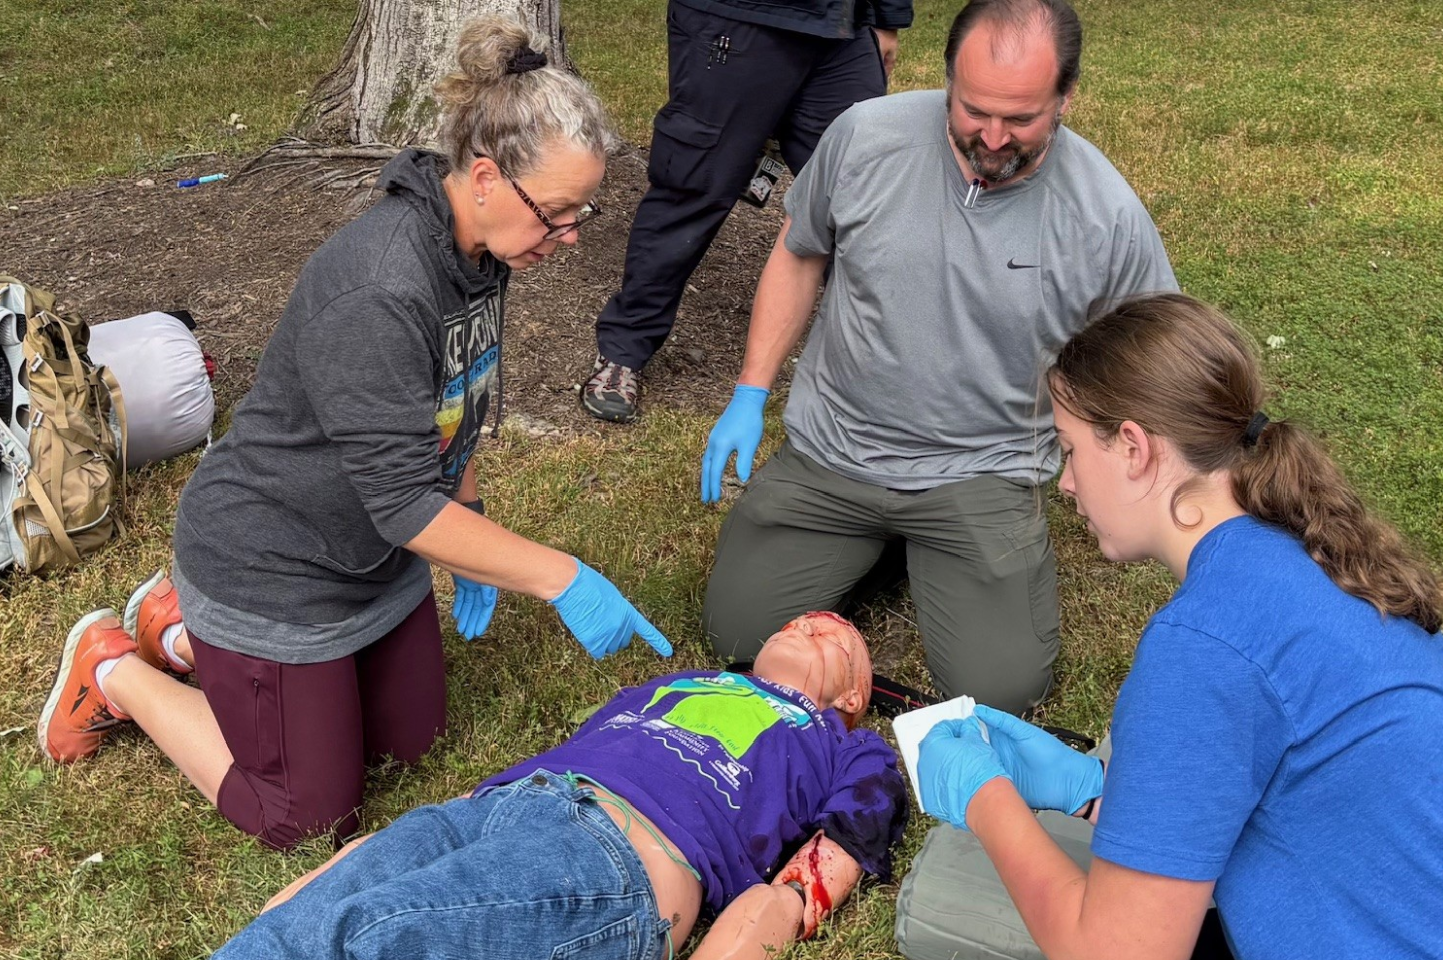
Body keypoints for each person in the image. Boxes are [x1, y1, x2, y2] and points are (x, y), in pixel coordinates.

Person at [36, 18, 670, 850]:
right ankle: (115, 664)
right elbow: (405, 505)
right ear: (484, 177)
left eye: (579, 211)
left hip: (369, 558)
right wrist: (561, 576)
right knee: (306, 817)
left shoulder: (482, 252)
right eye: (556, 214)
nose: (571, 234)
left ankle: (183, 633)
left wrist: (470, 522)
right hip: (275, 566)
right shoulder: (380, 289)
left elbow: (456, 401)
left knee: (412, 746)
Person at [904, 293, 1443, 960]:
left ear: (1132, 447)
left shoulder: (1205, 646)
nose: (1065, 482)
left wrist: (985, 797)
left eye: (1069, 451)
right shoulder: (1315, 552)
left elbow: (1113, 953)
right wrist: (1094, 797)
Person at [700, 0, 1177, 713]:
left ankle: (916, 550)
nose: (991, 136)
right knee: (736, 636)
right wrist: (750, 392)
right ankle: (885, 547)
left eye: (1019, 119)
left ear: (1065, 97)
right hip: (834, 454)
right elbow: (800, 254)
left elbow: (1158, 352)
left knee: (1001, 690)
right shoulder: (864, 136)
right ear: (948, 80)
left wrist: (1141, 472)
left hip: (980, 472)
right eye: (973, 109)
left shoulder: (1103, 215)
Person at [212, 612, 908, 960]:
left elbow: (818, 870)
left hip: (620, 855)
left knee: (375, 932)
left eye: (837, 640)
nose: (815, 621)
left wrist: (772, 915)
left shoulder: (845, 743)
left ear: (853, 696)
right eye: (800, 619)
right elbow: (590, 745)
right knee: (302, 913)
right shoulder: (687, 682)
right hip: (500, 808)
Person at [579, 0, 913, 423]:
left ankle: (887, 366)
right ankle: (623, 350)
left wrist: (886, 17)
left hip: (842, 28)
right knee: (693, 186)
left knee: (865, 195)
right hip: (737, 17)